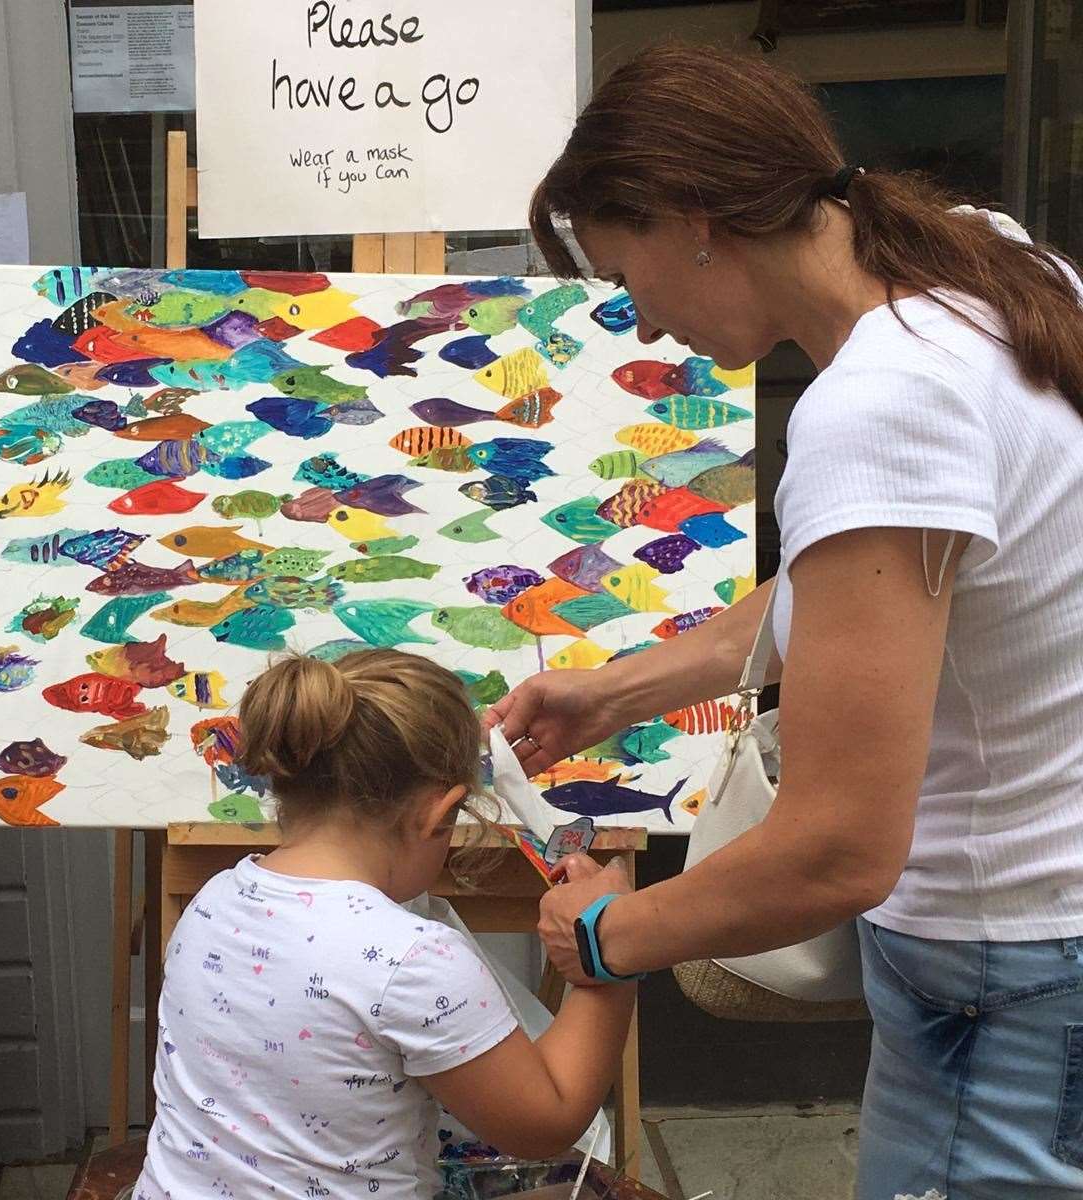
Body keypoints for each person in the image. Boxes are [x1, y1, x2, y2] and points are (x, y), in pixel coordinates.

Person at [487, 42, 1083, 1200]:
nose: (643, 324)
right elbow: (889, 583)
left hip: (997, 974)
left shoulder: (884, 407)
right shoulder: (982, 261)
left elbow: (839, 849)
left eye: (624, 274)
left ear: (690, 218)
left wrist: (610, 934)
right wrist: (618, 689)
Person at [131, 650, 634, 1200]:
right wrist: (606, 939)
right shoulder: (412, 960)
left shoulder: (210, 902)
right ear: (441, 814)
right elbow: (546, 1124)